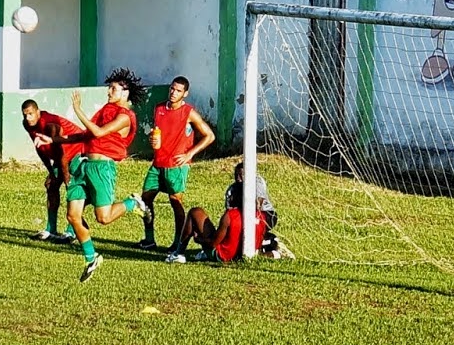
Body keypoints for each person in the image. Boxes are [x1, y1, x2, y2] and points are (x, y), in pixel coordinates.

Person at [66, 67, 149, 283]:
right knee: (73, 216)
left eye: (113, 88)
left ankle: (132, 204)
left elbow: (99, 132)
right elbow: (86, 134)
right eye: (109, 88)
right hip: (83, 167)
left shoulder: (125, 117)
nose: (109, 92)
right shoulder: (106, 109)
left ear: (125, 92)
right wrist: (54, 140)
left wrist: (78, 110)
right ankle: (91, 258)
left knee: (103, 218)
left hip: (102, 169)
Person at [137, 75, 215, 257]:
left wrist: (189, 154)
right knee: (145, 199)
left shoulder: (189, 113)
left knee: (175, 202)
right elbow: (160, 134)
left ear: (185, 94)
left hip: (177, 166)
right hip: (157, 163)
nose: (173, 92)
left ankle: (177, 243)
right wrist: (153, 140)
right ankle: (149, 239)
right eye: (172, 88)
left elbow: (209, 136)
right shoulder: (158, 109)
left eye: (178, 90)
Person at [167, 161, 291, 263]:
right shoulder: (250, 212)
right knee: (240, 231)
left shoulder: (256, 185)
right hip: (253, 223)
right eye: (236, 176)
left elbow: (213, 243)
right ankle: (269, 251)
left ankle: (179, 253)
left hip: (226, 253)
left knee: (195, 212)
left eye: (241, 176)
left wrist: (199, 240)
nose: (238, 179)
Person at [21, 99, 86, 243]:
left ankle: (72, 231)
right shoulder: (27, 125)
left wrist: (66, 177)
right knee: (51, 184)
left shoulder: (50, 125)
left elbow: (61, 152)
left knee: (73, 188)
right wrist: (51, 170)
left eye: (31, 114)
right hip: (62, 156)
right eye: (25, 115)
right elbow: (39, 148)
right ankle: (51, 229)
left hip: (77, 151)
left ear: (38, 112)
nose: (28, 118)